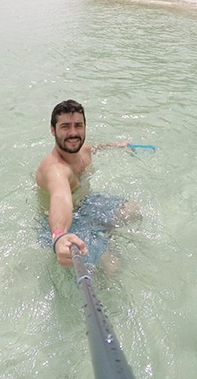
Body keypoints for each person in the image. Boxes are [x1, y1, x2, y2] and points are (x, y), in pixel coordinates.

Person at [35, 100, 141, 268]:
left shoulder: (83, 149)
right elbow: (60, 197)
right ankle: (99, 247)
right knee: (112, 267)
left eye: (78, 125)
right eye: (65, 127)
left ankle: (101, 234)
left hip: (87, 204)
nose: (73, 133)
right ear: (52, 130)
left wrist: (117, 145)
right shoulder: (56, 170)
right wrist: (59, 235)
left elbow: (95, 147)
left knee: (132, 211)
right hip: (64, 224)